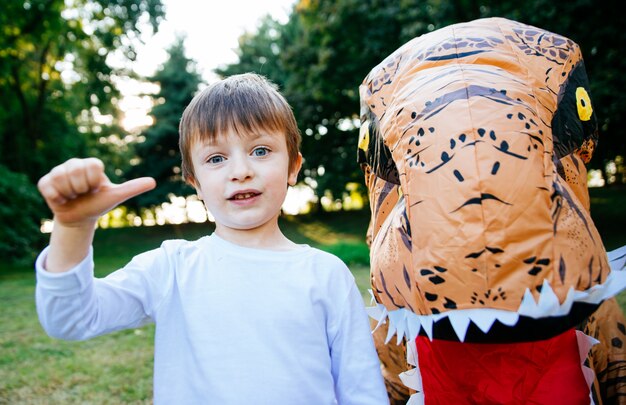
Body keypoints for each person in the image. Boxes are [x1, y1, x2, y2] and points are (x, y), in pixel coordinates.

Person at [35, 73, 388, 404]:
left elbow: (362, 387)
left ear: (293, 166)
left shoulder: (327, 273)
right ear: (196, 184)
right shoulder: (171, 268)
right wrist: (74, 227)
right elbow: (71, 319)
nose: (241, 171)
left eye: (260, 151)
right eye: (216, 158)